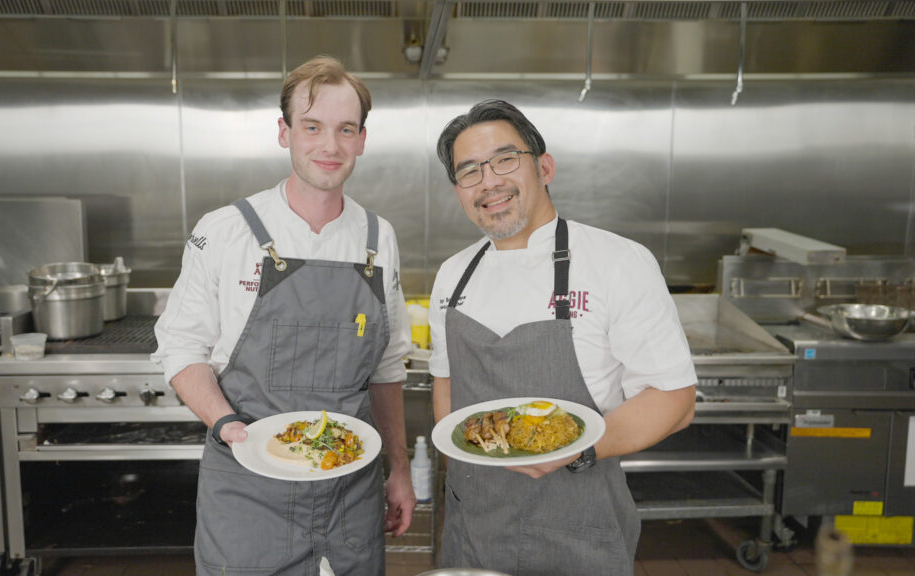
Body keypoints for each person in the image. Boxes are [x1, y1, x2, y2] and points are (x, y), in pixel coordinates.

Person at [152, 55, 416, 576]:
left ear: (362, 140)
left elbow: (387, 368)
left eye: (346, 130)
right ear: (284, 132)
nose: (329, 146)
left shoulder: (377, 238)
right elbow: (181, 347)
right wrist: (225, 423)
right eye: (312, 127)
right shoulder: (226, 230)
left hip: (350, 492)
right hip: (248, 493)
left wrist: (400, 470)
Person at [428, 99, 697, 575]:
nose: (488, 181)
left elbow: (675, 400)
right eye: (468, 171)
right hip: (476, 526)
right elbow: (446, 382)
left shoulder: (618, 262)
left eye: (504, 160)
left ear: (544, 166)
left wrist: (578, 449)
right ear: (458, 190)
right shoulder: (453, 276)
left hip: (578, 525)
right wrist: (463, 456)